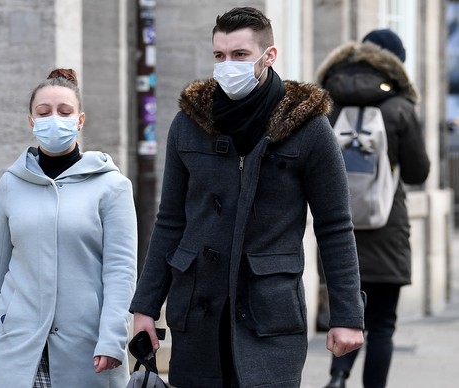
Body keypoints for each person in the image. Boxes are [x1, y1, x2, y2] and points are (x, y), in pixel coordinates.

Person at [129, 7, 365, 388]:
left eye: (239, 55)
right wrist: (145, 307)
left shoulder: (309, 128)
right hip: (198, 311)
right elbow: (170, 220)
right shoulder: (188, 125)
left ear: (268, 57)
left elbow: (336, 226)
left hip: (269, 314)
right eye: (219, 56)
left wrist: (348, 314)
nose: (227, 66)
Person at [0, 68, 138, 387]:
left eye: (64, 111)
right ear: (32, 121)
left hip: (86, 346)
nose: (54, 118)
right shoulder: (10, 184)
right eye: (43, 112)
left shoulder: (112, 186)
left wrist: (113, 338)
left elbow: (121, 271)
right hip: (16, 342)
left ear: (80, 120)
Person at [317, 29, 430, 388]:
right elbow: (418, 171)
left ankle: (337, 377)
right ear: (395, 63)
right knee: (382, 324)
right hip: (387, 229)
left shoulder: (327, 104)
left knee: (346, 315)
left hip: (337, 231)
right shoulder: (400, 107)